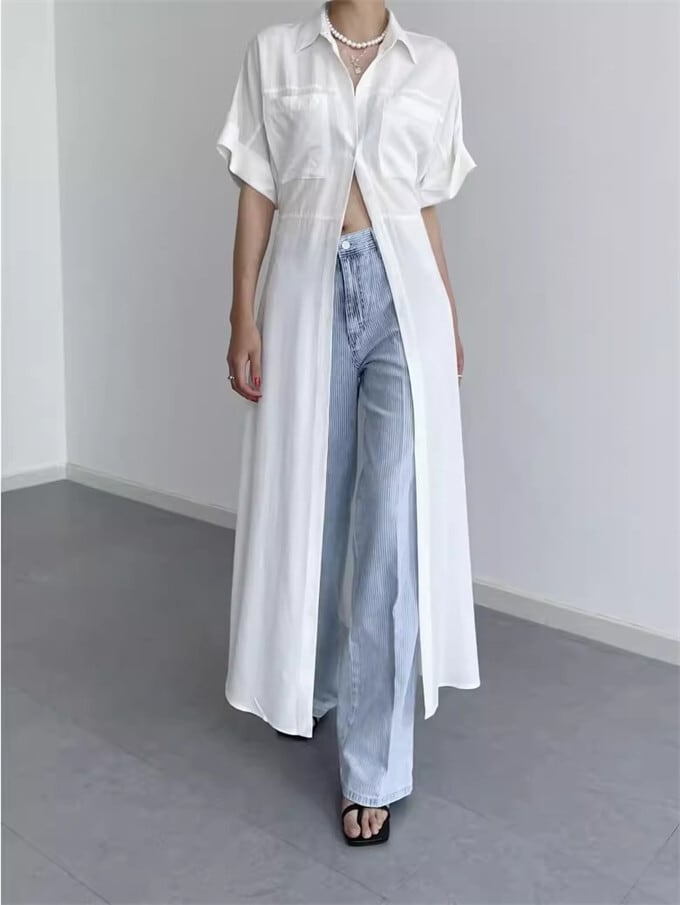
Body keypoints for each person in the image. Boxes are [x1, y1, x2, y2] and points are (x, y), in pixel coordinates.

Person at [215, 0, 481, 846]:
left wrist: (448, 318)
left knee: (390, 532)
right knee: (315, 507)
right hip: (307, 296)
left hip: (406, 305)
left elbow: (423, 206)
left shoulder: (434, 64)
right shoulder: (274, 52)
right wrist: (242, 312)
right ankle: (316, 681)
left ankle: (374, 767)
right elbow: (259, 188)